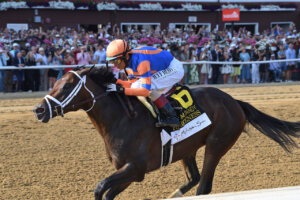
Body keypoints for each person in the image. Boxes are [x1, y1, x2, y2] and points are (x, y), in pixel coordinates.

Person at [106, 39, 184, 128]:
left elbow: (145, 90)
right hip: (164, 67)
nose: (115, 65)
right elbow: (132, 85)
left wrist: (121, 89)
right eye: (112, 62)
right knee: (135, 86)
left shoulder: (141, 61)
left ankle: (172, 117)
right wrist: (116, 82)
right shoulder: (127, 64)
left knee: (149, 88)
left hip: (174, 68)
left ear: (126, 56)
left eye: (117, 61)